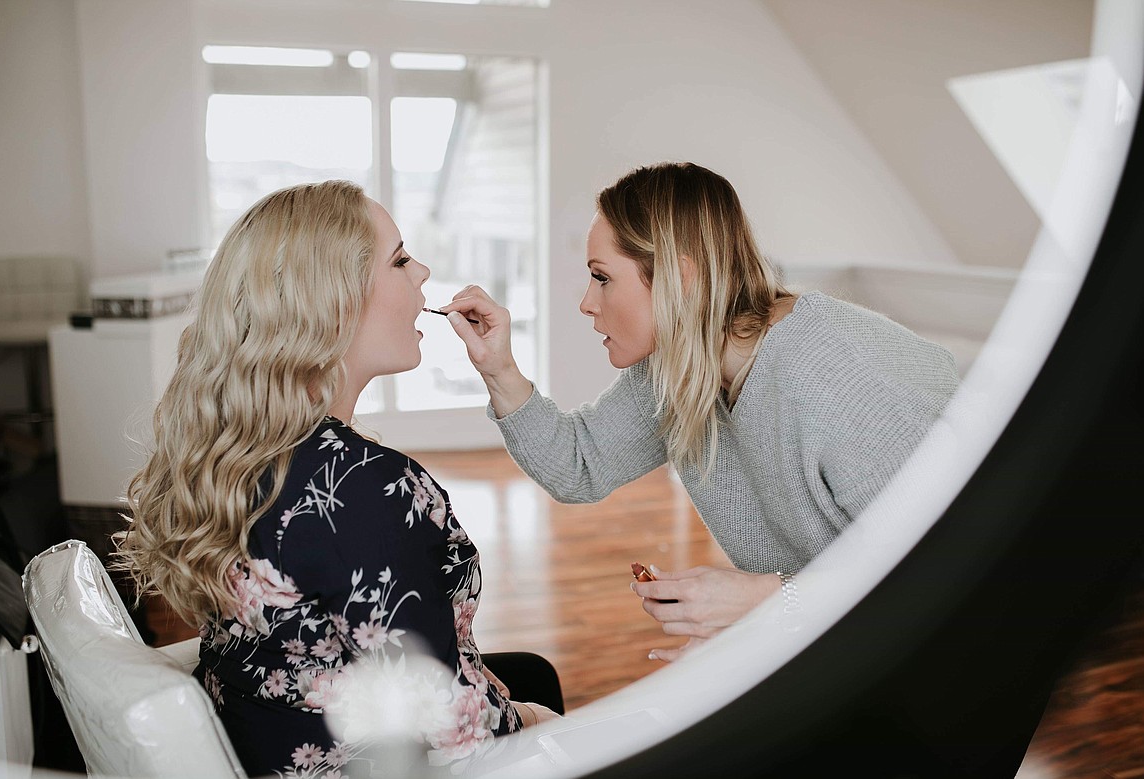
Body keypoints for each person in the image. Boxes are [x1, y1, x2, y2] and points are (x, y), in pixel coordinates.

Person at [116, 180, 560, 778]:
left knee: (531, 668)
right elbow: (448, 720)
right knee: (547, 701)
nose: (424, 272)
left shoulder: (244, 450)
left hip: (271, 730)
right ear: (334, 302)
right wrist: (532, 721)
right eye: (400, 260)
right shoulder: (366, 489)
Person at [441, 161, 961, 662]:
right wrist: (499, 368)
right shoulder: (681, 364)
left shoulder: (834, 369)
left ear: (679, 279)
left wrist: (762, 602)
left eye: (602, 278)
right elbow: (579, 466)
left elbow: (936, 571)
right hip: (855, 642)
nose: (587, 302)